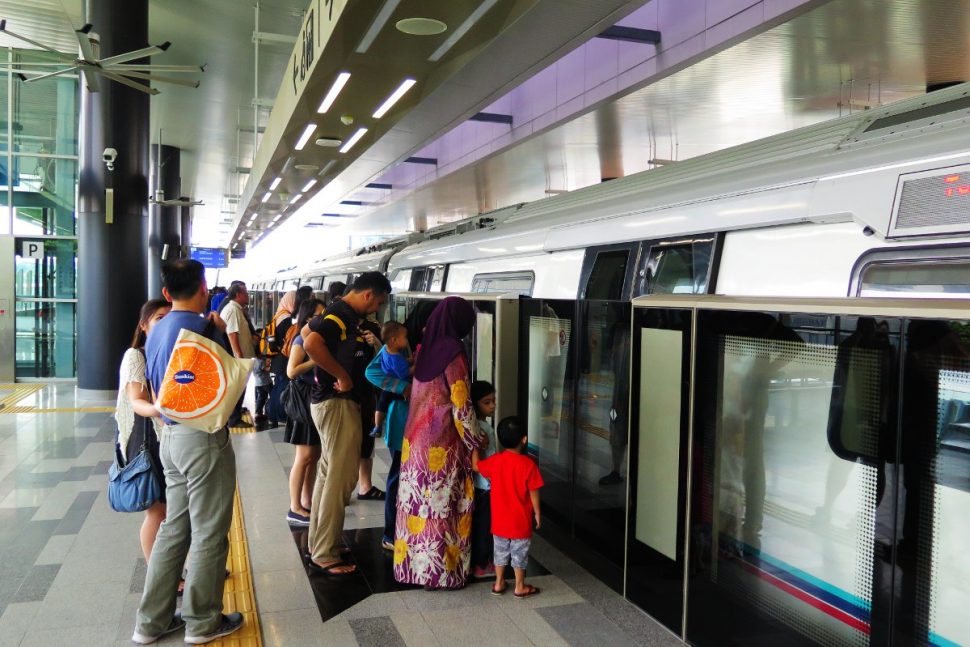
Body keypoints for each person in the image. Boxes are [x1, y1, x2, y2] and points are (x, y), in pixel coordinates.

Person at [132, 259, 243, 645]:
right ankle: (202, 622)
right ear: (203, 288)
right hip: (202, 440)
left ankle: (151, 622)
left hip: (171, 441)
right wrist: (225, 332)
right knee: (210, 531)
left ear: (166, 293)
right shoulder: (202, 328)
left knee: (174, 530)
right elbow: (236, 378)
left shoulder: (157, 329)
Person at [301, 272, 391, 576]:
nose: (376, 309)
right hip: (336, 404)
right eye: (377, 302)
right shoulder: (341, 315)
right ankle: (325, 554)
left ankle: (320, 543)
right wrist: (341, 374)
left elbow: (305, 330)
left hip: (328, 404)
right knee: (340, 480)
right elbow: (311, 342)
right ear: (368, 295)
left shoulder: (339, 310)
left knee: (329, 477)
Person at [393, 296, 484, 590]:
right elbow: (460, 403)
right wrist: (476, 438)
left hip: (414, 444)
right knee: (442, 508)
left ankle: (414, 570)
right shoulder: (453, 352)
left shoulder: (427, 349)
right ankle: (441, 573)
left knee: (418, 508)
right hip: (442, 446)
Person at [365, 302, 435, 553]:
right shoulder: (393, 349)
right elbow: (370, 372)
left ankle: (409, 527)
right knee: (397, 473)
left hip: (419, 418)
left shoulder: (407, 347)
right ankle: (390, 532)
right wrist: (400, 387)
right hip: (402, 417)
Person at [115, 298, 171, 563]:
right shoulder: (135, 355)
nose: (166, 322)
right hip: (146, 441)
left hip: (165, 438)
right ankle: (157, 572)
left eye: (170, 317)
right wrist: (159, 408)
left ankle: (174, 570)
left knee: (170, 510)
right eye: (160, 317)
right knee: (157, 511)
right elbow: (136, 401)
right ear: (144, 324)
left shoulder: (170, 352)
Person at [472, 416, 544, 598]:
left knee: (500, 553)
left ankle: (498, 583)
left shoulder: (496, 461)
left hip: (499, 522)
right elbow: (534, 491)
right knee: (519, 555)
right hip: (520, 522)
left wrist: (475, 446)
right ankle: (520, 586)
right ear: (524, 439)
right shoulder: (529, 465)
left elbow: (475, 466)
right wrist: (537, 512)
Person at [283, 297, 325, 526]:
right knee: (304, 457)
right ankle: (294, 506)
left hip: (313, 399)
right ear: (308, 318)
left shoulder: (315, 338)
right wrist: (315, 358)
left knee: (314, 456)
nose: (323, 317)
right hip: (303, 401)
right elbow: (292, 371)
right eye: (319, 314)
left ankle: (306, 501)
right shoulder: (301, 340)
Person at [268, 286, 313, 427]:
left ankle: (274, 414)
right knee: (281, 388)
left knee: (279, 387)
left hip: (281, 359)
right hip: (284, 359)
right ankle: (276, 415)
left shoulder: (284, 315)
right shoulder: (289, 318)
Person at [469, 380, 498, 578]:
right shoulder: (481, 430)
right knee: (484, 525)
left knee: (482, 524)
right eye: (487, 402)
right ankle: (481, 563)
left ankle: (481, 561)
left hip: (481, 485)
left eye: (493, 401)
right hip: (486, 485)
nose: (493, 406)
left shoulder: (477, 426)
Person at [222, 282, 256, 428]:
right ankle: (234, 418)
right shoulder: (233, 310)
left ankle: (235, 412)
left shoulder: (237, 309)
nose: (248, 295)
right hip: (238, 359)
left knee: (240, 388)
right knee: (237, 388)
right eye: (246, 293)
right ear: (238, 295)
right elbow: (232, 335)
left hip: (239, 358)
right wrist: (239, 359)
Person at [371, 321, 413, 438]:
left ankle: (377, 427)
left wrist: (409, 360)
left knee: (381, 405)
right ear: (394, 340)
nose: (406, 339)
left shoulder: (386, 350)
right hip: (397, 386)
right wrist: (416, 365)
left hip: (387, 385)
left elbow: (401, 363)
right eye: (404, 337)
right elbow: (404, 372)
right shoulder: (396, 358)